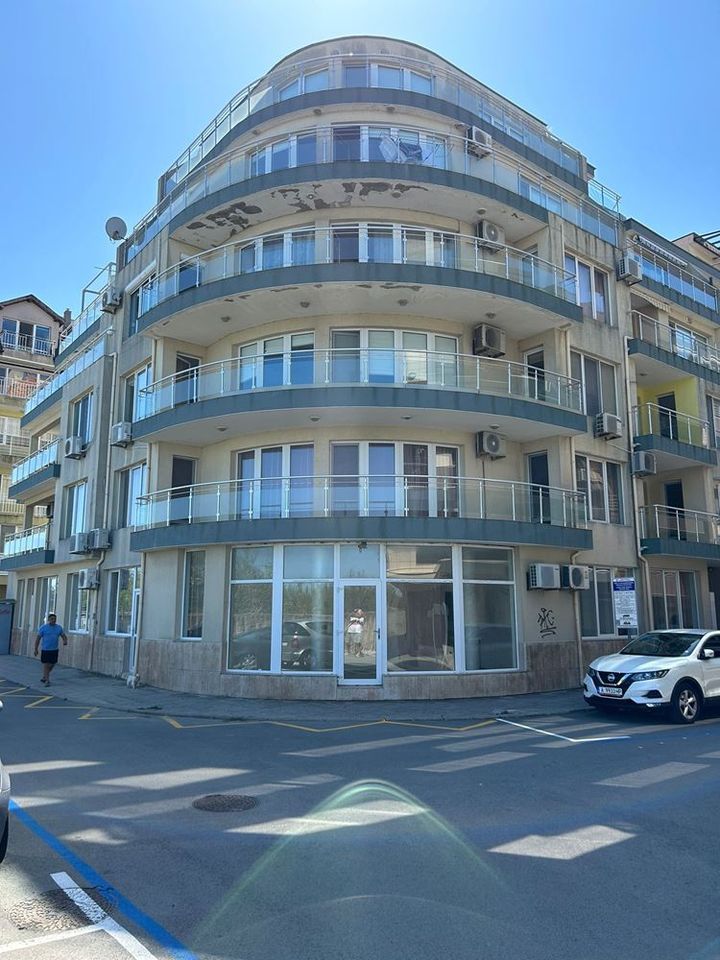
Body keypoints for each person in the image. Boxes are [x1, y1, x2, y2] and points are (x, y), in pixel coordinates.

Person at [34, 613, 68, 686]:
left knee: (52, 664)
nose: (53, 620)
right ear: (49, 620)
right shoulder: (43, 628)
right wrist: (36, 649)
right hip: (46, 649)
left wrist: (65, 641)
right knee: (46, 664)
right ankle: (47, 680)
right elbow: (38, 639)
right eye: (52, 619)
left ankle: (44, 676)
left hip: (54, 649)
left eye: (55, 619)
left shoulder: (58, 628)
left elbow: (63, 636)